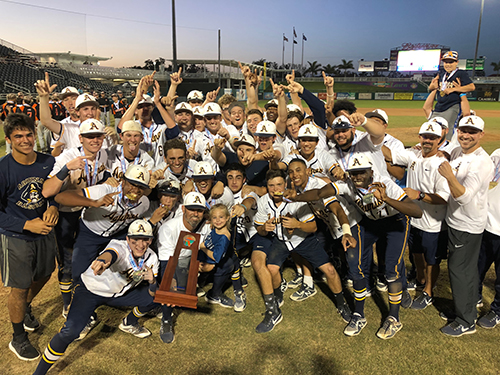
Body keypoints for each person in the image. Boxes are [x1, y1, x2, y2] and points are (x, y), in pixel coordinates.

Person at [289, 153, 422, 339]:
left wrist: (387, 199)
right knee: (354, 263)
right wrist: (296, 198)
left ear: (371, 171)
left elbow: (417, 211)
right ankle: (359, 315)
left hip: (395, 223)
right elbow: (320, 193)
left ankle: (393, 318)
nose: (357, 176)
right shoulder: (348, 184)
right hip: (371, 224)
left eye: (361, 172)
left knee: (391, 269)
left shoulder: (384, 184)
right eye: (353, 173)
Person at [33, 220, 160, 375]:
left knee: (155, 298)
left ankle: (129, 323)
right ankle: (38, 373)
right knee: (70, 332)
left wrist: (152, 281)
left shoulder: (152, 258)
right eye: (135, 240)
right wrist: (102, 261)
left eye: (145, 240)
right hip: (89, 291)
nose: (140, 245)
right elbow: (111, 254)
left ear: (151, 240)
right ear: (127, 239)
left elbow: (154, 292)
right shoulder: (119, 246)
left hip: (117, 295)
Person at [252, 169, 351, 333]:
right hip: (281, 240)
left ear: (285, 184)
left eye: (279, 184)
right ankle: (277, 296)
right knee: (271, 269)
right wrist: (264, 228)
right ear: (267, 186)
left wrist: (297, 225)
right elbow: (259, 229)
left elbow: (312, 227)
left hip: (303, 240)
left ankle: (341, 304)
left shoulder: (296, 199)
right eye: (271, 185)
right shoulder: (264, 202)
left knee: (330, 271)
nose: (275, 188)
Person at [0, 113, 59, 361]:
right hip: (15, 235)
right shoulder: (3, 168)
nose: (25, 140)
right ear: (9, 140)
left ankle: (24, 310)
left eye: (28, 134)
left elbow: (54, 190)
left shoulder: (47, 161)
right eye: (18, 136)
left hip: (44, 231)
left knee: (46, 273)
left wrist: (54, 205)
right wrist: (26, 224)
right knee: (20, 287)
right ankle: (18, 338)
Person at [42, 119, 109, 318]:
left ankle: (86, 296)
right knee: (68, 261)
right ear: (80, 138)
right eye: (89, 136)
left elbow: (100, 178)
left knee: (86, 257)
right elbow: (48, 190)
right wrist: (66, 169)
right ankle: (67, 304)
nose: (94, 140)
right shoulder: (67, 157)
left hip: (89, 213)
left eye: (98, 136)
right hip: (67, 214)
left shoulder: (104, 154)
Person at [383, 122, 450, 309]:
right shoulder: (413, 155)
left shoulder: (441, 164)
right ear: (419, 137)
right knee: (416, 253)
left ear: (439, 139)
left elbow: (444, 198)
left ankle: (429, 291)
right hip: (414, 219)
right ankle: (421, 280)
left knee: (432, 259)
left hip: (433, 223)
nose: (428, 140)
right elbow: (389, 154)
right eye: (424, 136)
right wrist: (365, 136)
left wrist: (419, 195)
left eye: (432, 137)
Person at [438, 115, 493, 336]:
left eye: (472, 132)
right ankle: (466, 308)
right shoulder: (459, 150)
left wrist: (450, 176)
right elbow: (447, 147)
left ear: (481, 135)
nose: (466, 135)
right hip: (457, 221)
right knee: (466, 270)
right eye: (463, 130)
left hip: (467, 225)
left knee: (459, 271)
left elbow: (464, 197)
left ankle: (465, 321)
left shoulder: (481, 162)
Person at [157, 192, 211, 343]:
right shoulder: (169, 228)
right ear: (183, 209)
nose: (195, 213)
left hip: (191, 257)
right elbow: (166, 262)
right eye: (191, 209)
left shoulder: (206, 225)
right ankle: (166, 319)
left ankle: (193, 284)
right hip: (171, 259)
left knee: (222, 264)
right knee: (169, 289)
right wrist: (170, 282)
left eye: (199, 210)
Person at [199, 204, 247, 311]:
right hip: (204, 260)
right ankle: (210, 290)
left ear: (227, 218)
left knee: (231, 263)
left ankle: (237, 291)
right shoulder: (215, 228)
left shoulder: (224, 236)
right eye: (215, 218)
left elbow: (216, 257)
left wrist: (203, 248)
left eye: (221, 217)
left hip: (212, 259)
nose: (218, 220)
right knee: (230, 262)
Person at [427, 51, 475, 140]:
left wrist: (453, 89)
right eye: (446, 62)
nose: (448, 64)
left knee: (447, 130)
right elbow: (432, 86)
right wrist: (432, 86)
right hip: (438, 106)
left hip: (452, 106)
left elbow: (471, 87)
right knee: (433, 129)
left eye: (451, 62)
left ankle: (448, 149)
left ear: (456, 62)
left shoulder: (460, 73)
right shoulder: (441, 74)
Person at [477, 147, 500, 329]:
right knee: (476, 269)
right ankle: (472, 300)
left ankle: (497, 311)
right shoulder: (497, 154)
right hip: (487, 224)